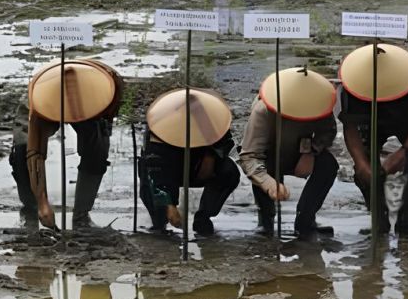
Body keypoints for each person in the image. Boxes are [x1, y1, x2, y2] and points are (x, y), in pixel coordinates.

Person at [338, 43, 408, 237]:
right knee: (364, 166)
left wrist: (404, 151)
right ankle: (378, 216)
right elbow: (350, 126)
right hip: (369, 119)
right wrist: (361, 163)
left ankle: (407, 217)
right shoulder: (351, 81)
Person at [14, 58, 123, 230]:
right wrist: (42, 202)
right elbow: (34, 153)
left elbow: (107, 121)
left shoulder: (108, 89)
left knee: (98, 149)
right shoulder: (40, 100)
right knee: (21, 150)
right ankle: (32, 209)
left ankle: (82, 215)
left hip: (91, 102)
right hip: (48, 94)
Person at [238, 67, 338, 239]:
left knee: (328, 165)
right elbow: (250, 156)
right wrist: (268, 183)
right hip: (269, 156)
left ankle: (306, 219)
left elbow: (328, 131)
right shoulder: (264, 110)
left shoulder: (320, 105)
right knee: (263, 169)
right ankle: (266, 220)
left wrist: (310, 151)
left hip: (300, 152)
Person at [138, 87, 239, 236]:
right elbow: (155, 170)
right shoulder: (159, 128)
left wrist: (211, 156)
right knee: (148, 177)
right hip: (167, 170)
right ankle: (159, 221)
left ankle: (204, 216)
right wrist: (169, 204)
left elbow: (226, 143)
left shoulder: (212, 121)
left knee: (229, 171)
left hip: (198, 167)